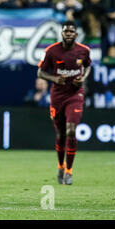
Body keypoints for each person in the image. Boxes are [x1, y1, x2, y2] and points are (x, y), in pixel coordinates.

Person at [37, 21, 92, 185]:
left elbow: (88, 66)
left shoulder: (84, 51)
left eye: (71, 31)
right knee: (60, 134)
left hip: (75, 95)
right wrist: (55, 78)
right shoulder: (51, 51)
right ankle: (60, 166)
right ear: (61, 33)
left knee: (71, 130)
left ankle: (69, 171)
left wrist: (83, 78)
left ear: (76, 34)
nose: (68, 34)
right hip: (58, 96)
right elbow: (40, 72)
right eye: (65, 31)